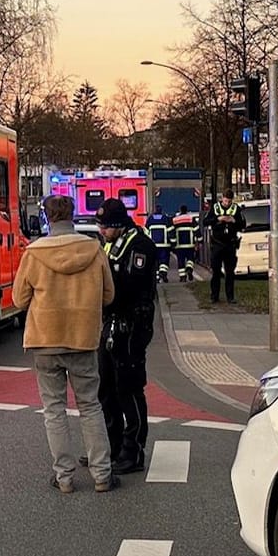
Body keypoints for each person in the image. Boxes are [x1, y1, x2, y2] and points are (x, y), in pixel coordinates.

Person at [12, 194, 118, 494]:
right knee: (90, 406)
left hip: (45, 339)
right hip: (83, 338)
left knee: (54, 410)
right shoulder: (94, 249)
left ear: (47, 218)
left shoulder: (33, 253)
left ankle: (64, 477)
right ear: (73, 216)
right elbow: (109, 295)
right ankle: (101, 474)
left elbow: (19, 300)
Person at [97, 198, 155, 475]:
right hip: (110, 320)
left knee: (128, 387)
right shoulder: (110, 243)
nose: (101, 231)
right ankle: (114, 445)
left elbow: (132, 284)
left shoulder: (140, 245)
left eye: (105, 226)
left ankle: (133, 451)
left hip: (132, 323)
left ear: (119, 225)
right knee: (105, 387)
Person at [207, 195, 244, 303]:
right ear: (222, 198)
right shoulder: (215, 208)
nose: (227, 203)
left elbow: (243, 224)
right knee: (216, 272)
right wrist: (218, 219)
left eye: (229, 201)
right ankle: (214, 296)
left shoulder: (236, 209)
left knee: (230, 272)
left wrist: (233, 220)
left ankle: (230, 297)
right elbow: (206, 221)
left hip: (230, 245)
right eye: (225, 201)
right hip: (217, 244)